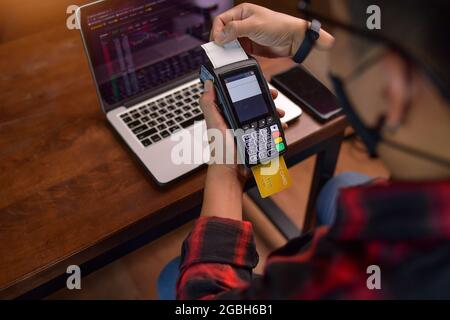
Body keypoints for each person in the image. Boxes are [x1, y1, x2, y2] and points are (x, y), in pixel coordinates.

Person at [158, 1, 450, 299]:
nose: (331, 46)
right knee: (340, 186)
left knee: (172, 277)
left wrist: (227, 167)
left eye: (340, 34)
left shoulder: (361, 276)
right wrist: (302, 39)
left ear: (393, 87)